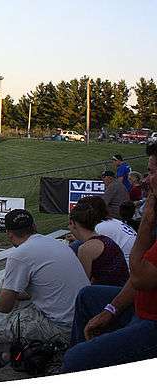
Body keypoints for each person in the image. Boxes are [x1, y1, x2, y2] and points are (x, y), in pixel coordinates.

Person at [64, 145, 157, 372]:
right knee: (87, 296)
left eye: (153, 173)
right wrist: (110, 311)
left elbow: (141, 278)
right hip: (141, 303)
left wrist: (147, 220)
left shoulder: (98, 238)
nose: (146, 180)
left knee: (75, 359)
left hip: (151, 321)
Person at [0, 209, 89, 365]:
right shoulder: (55, 243)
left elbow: (4, 306)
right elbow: (32, 291)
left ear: (9, 233)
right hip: (80, 320)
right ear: (34, 226)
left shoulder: (19, 254)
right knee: (20, 308)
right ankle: (5, 356)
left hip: (62, 329)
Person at [71, 198, 130, 286]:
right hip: (126, 281)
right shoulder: (105, 234)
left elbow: (81, 284)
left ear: (73, 223)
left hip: (120, 288)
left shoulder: (99, 231)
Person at [77, 195, 139, 265]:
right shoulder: (111, 221)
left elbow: (87, 248)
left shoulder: (100, 227)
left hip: (129, 266)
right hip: (133, 260)